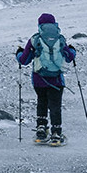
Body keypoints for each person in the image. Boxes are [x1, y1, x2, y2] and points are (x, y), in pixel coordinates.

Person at [17, 13, 78, 144]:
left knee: (42, 102)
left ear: (40, 25)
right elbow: (69, 57)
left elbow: (24, 60)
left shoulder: (35, 39)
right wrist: (73, 51)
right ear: (54, 24)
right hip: (56, 79)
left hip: (39, 79)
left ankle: (41, 130)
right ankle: (56, 134)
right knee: (55, 106)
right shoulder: (60, 39)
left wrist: (19, 53)